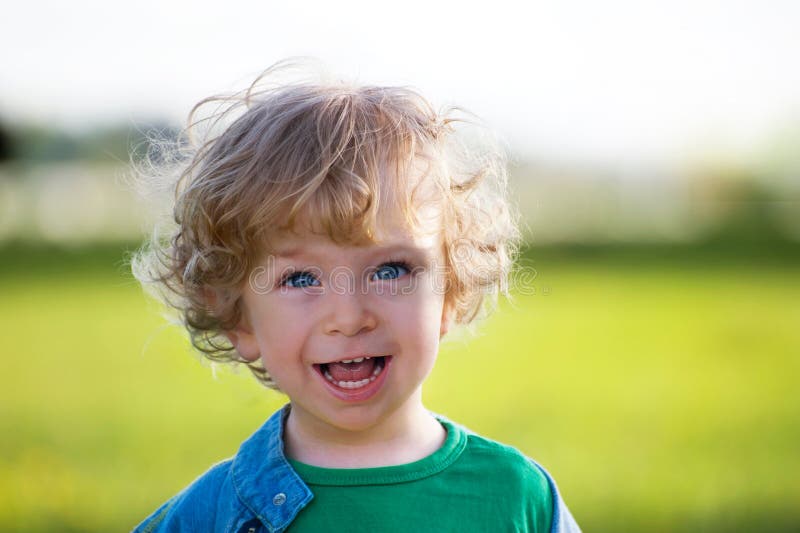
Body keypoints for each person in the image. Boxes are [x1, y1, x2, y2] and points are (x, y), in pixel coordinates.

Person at [131, 58, 580, 532]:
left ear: (450, 292)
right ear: (238, 318)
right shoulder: (212, 515)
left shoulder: (515, 499)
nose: (349, 317)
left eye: (390, 270)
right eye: (301, 279)